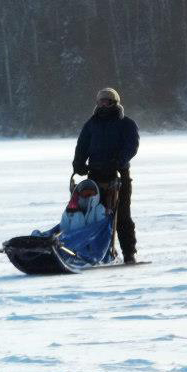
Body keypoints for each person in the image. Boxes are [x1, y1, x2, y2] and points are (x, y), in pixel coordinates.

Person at [72, 88, 140, 263]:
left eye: (107, 101)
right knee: (93, 215)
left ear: (114, 103)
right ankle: (96, 252)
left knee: (122, 216)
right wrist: (79, 163)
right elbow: (82, 146)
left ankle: (129, 254)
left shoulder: (126, 123)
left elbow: (131, 146)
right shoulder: (91, 124)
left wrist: (119, 161)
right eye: (100, 101)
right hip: (95, 176)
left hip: (118, 175)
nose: (103, 104)